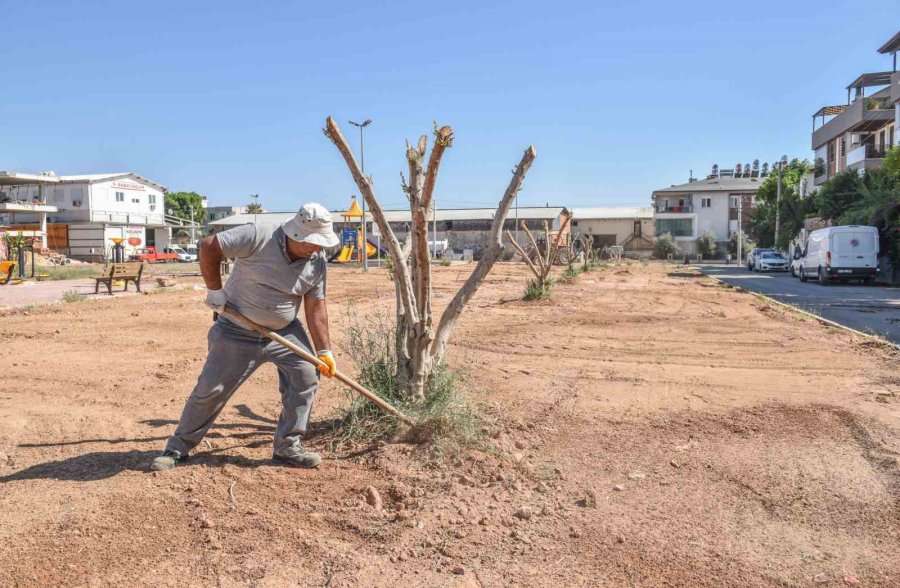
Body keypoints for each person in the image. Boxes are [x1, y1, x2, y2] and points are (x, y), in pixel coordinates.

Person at [150, 203, 340, 471]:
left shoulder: (316, 262)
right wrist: (215, 291)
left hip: (284, 332)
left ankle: (287, 447)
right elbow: (209, 246)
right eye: (312, 242)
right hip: (236, 330)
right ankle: (177, 448)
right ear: (295, 234)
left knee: (306, 375)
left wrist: (324, 351)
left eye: (322, 244)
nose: (317, 249)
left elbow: (315, 305)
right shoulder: (258, 235)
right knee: (210, 390)